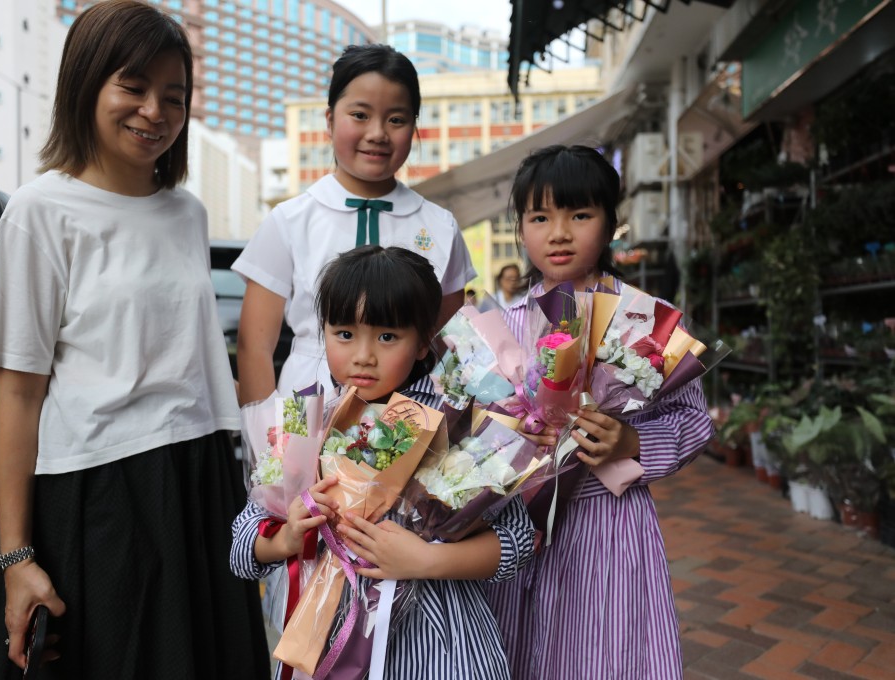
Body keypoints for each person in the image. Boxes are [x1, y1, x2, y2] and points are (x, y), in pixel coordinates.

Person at [0, 3, 269, 678]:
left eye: (174, 96)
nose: (154, 111)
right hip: (102, 487)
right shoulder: (39, 212)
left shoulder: (187, 213)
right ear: (86, 84)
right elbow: (17, 399)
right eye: (133, 87)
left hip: (200, 477)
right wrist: (15, 558)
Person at [230, 246, 535, 679]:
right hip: (327, 640)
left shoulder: (456, 421)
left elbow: (519, 540)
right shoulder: (305, 420)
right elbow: (243, 546)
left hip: (437, 647)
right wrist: (286, 537)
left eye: (387, 336)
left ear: (424, 340)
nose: (364, 355)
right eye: (344, 333)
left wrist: (425, 560)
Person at [484, 145, 715, 679]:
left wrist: (630, 443)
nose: (558, 233)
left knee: (603, 651)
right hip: (517, 523)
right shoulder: (501, 327)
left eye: (580, 215)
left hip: (606, 521)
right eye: (540, 218)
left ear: (611, 223)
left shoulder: (646, 320)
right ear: (520, 228)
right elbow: (474, 424)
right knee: (520, 649)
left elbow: (692, 419)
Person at [232, 44, 475, 404]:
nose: (377, 133)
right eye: (360, 115)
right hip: (306, 409)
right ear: (330, 120)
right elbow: (255, 347)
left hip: (411, 417)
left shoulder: (440, 226)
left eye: (396, 119)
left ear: (414, 127)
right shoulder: (289, 220)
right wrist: (265, 432)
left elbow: (451, 346)